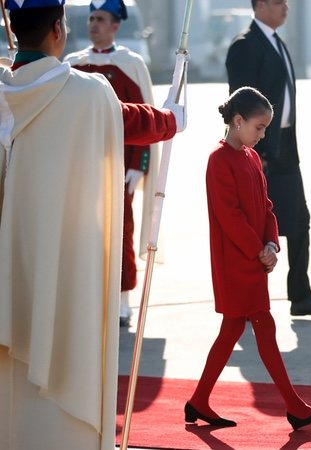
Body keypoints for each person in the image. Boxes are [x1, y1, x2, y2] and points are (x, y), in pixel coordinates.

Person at [0, 1, 182, 449]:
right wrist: (174, 117)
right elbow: (134, 119)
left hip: (10, 257)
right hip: (66, 259)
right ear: (59, 30)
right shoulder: (88, 91)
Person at [186, 87, 311, 431]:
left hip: (253, 259)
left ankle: (198, 400)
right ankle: (294, 406)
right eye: (259, 127)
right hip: (235, 263)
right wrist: (258, 249)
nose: (262, 134)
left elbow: (266, 206)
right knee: (264, 326)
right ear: (237, 121)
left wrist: (271, 244)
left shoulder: (249, 157)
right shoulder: (219, 160)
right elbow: (228, 215)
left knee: (232, 329)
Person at [226, 0, 311, 317]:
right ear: (260, 5)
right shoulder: (245, 46)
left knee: (300, 221)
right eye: (278, 2)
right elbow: (240, 103)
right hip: (259, 149)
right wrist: (252, 151)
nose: (286, 7)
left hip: (284, 146)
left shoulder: (277, 42)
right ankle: (245, 300)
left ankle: (300, 296)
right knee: (251, 228)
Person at [64, 0, 159, 328]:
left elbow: (143, 118)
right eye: (91, 17)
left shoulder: (129, 64)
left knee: (120, 233)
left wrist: (138, 165)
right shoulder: (73, 64)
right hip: (81, 166)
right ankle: (85, 297)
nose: (93, 23)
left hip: (118, 166)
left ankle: (122, 300)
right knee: (81, 233)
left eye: (100, 18)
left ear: (116, 25)